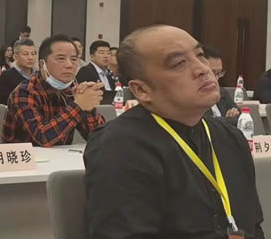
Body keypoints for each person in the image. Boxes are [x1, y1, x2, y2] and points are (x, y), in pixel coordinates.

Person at [84, 25, 264, 239]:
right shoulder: (121, 147)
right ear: (142, 90)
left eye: (200, 55)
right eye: (179, 63)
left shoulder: (230, 136)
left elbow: (253, 226)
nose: (202, 69)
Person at [2, 34, 104, 146]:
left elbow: (99, 138)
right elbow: (43, 137)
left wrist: (88, 108)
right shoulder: (25, 92)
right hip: (25, 156)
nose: (69, 65)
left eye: (74, 59)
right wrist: (78, 105)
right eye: (61, 59)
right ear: (42, 64)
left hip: (61, 156)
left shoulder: (71, 91)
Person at [202, 46, 240, 126]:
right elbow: (207, 123)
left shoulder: (222, 93)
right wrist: (228, 119)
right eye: (212, 72)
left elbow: (239, 116)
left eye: (219, 73)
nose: (216, 78)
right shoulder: (194, 96)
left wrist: (224, 120)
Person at [0, 39, 36, 104]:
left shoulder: (39, 75)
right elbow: (6, 103)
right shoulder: (6, 76)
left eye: (33, 54)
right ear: (15, 57)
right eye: (25, 54)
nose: (30, 57)